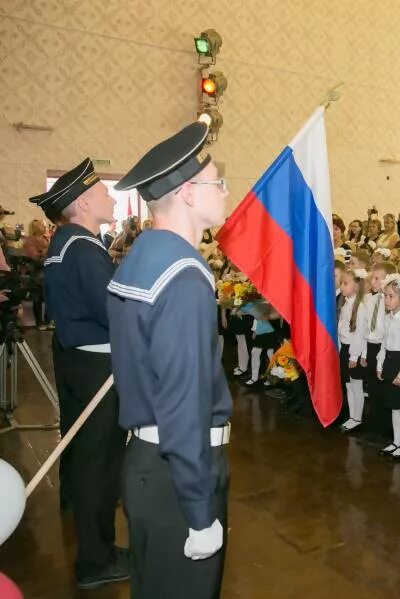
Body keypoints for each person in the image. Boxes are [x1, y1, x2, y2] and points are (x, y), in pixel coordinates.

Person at [107, 119, 232, 598]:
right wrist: (200, 513)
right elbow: (183, 406)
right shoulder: (183, 278)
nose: (223, 190)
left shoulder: (144, 255)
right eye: (216, 182)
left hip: (147, 461)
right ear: (186, 193)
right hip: (179, 472)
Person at [28, 158, 128, 590]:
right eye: (103, 191)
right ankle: (96, 558)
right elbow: (114, 311)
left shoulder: (65, 243)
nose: (109, 196)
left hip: (75, 356)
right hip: (96, 366)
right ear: (84, 202)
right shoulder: (84, 249)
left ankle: (81, 519)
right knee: (99, 462)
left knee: (83, 453)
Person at [376, 274, 400, 459]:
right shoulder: (388, 317)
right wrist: (380, 363)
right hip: (390, 362)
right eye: (385, 296)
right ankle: (396, 441)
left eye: (391, 296)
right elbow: (384, 342)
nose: (387, 300)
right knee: (394, 406)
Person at [361, 262, 396, 439]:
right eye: (372, 278)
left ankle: (386, 427)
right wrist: (364, 352)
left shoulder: (389, 302)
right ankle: (375, 424)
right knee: (372, 386)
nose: (373, 281)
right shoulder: (370, 299)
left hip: (384, 347)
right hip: (370, 345)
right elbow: (366, 326)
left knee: (383, 387)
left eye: (377, 278)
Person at [338, 268, 369, 432]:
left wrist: (355, 356)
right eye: (341, 283)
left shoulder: (361, 307)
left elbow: (360, 334)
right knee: (348, 385)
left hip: (353, 351)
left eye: (345, 283)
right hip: (345, 349)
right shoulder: (346, 303)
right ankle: (352, 416)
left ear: (356, 286)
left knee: (356, 386)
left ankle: (357, 418)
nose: (341, 286)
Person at [23, 219, 50, 330]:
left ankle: (48, 321)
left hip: (47, 272)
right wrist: (45, 252)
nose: (44, 227)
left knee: (49, 298)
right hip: (36, 273)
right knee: (37, 299)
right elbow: (34, 258)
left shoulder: (45, 238)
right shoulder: (30, 241)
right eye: (42, 225)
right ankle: (39, 323)